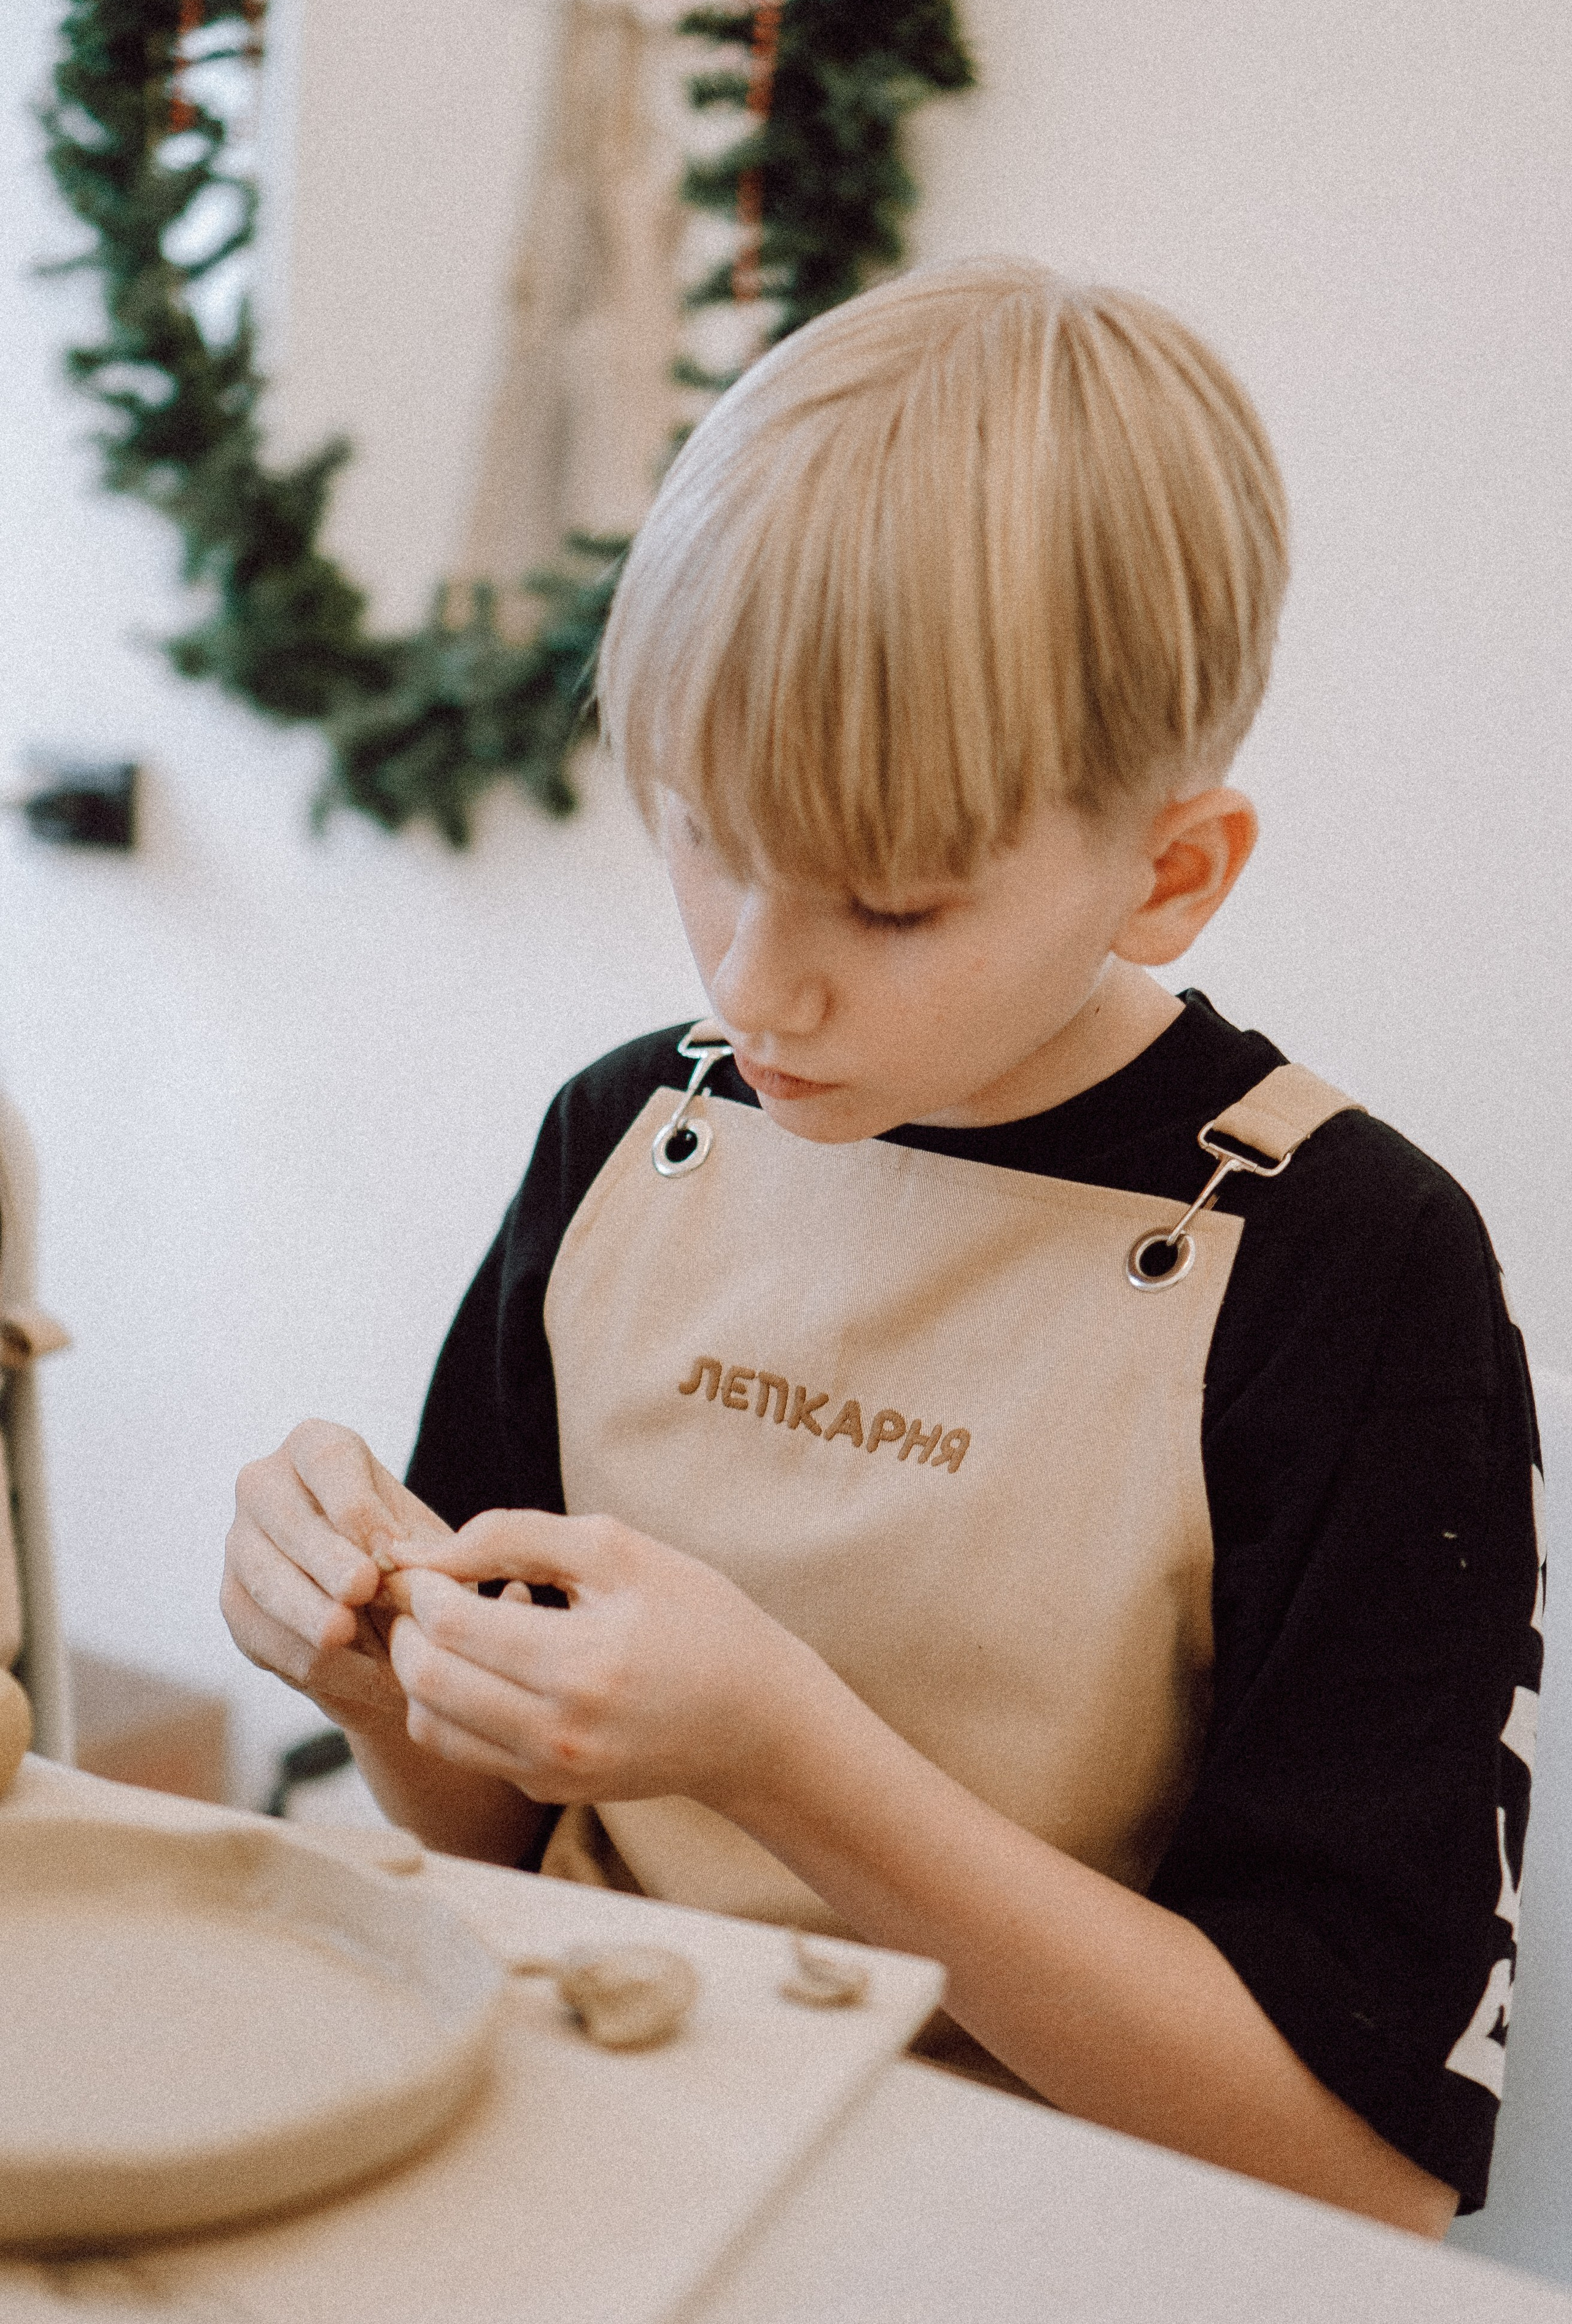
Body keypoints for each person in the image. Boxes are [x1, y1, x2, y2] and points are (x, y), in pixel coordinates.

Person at [221, 258, 1542, 2237]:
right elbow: (488, 1826)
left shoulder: (1354, 1271)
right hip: (576, 2148)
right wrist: (374, 1666)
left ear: (1169, 874)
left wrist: (782, 1758)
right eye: (705, 837)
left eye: (893, 908)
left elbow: (1356, 2169)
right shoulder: (626, 1132)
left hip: (1039, 2236)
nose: (762, 989)